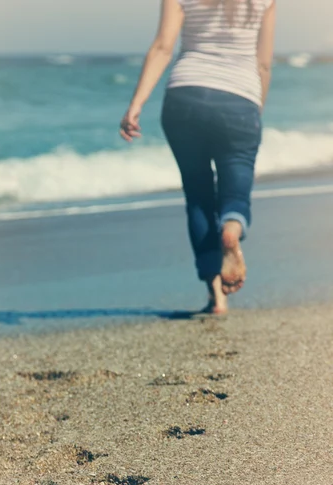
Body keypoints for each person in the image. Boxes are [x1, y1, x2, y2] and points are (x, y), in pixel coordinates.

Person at [120, 0, 276, 314]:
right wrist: (254, 111)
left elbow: (163, 47)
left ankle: (216, 296)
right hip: (239, 98)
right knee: (236, 187)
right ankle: (232, 226)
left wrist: (136, 103)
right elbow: (263, 64)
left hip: (184, 96)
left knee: (198, 195)